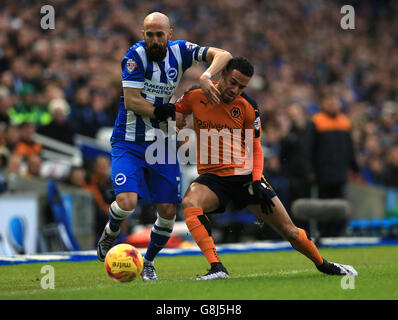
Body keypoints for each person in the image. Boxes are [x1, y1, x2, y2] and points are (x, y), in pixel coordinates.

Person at [175, 56, 358, 280]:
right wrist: (179, 119)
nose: (235, 90)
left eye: (242, 86)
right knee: (190, 203)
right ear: (223, 74)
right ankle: (217, 268)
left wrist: (256, 178)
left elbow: (257, 148)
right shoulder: (196, 95)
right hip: (213, 178)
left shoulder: (248, 106)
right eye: (233, 82)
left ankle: (323, 264)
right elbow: (178, 109)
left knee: (289, 231)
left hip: (244, 176)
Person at [96, 12, 232, 282]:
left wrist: (206, 76)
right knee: (126, 203)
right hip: (129, 142)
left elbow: (224, 55)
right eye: (150, 35)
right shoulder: (135, 57)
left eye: (160, 34)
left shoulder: (180, 51)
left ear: (169, 34)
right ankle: (111, 230)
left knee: (168, 210)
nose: (155, 40)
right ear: (143, 34)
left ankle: (147, 262)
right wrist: (168, 112)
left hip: (161, 143)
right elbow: (133, 101)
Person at [305, 92, 359, 236]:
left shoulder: (345, 122)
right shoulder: (316, 121)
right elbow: (308, 149)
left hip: (340, 173)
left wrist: (355, 168)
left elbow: (349, 148)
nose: (332, 104)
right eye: (329, 102)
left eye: (334, 102)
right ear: (323, 104)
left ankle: (338, 233)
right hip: (323, 173)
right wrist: (310, 171)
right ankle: (322, 232)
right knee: (323, 204)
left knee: (339, 204)